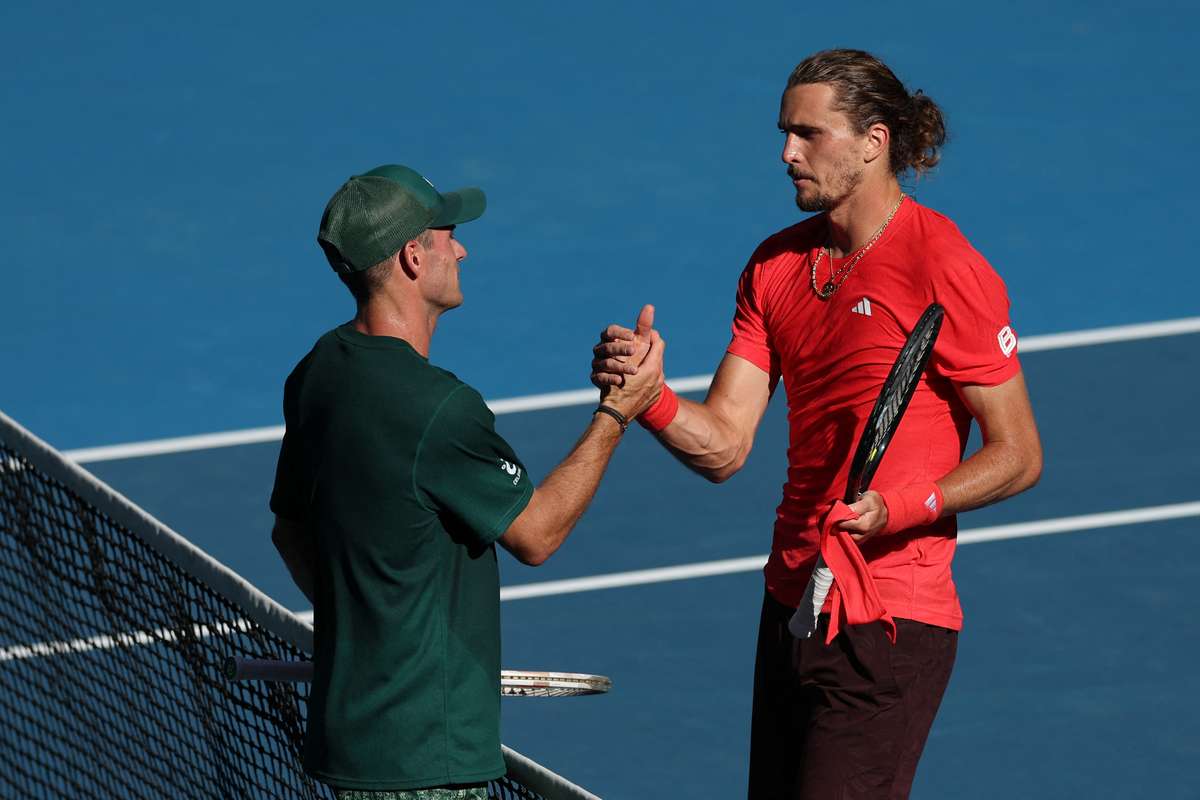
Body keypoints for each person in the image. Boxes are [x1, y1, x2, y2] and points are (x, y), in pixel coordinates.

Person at [591, 49, 1043, 799]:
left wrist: (900, 506)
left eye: (808, 134)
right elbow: (726, 446)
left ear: (874, 141)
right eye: (784, 133)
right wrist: (652, 399)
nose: (786, 153)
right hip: (792, 604)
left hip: (889, 621)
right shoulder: (773, 267)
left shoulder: (943, 262)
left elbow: (1020, 453)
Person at [269, 164, 663, 799]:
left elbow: (290, 532)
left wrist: (371, 637)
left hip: (346, 747)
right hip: (429, 764)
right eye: (447, 234)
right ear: (412, 258)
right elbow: (538, 533)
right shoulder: (439, 408)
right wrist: (619, 411)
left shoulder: (317, 374)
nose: (462, 247)